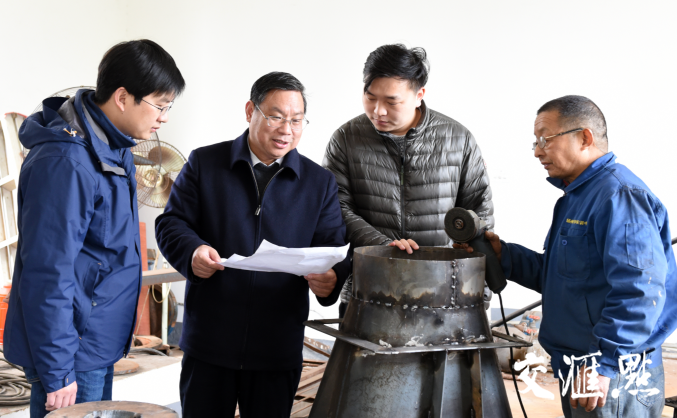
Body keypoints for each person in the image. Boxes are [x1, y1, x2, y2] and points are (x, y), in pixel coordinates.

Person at [459, 95, 676, 418]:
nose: (537, 151)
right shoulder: (576, 197)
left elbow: (639, 291)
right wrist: (506, 256)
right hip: (580, 365)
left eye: (545, 139)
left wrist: (604, 363)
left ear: (584, 138)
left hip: (613, 374)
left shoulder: (620, 196)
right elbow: (564, 277)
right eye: (535, 142)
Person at [4, 40, 185, 417]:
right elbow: (47, 273)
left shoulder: (113, 146)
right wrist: (57, 369)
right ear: (123, 97)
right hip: (73, 351)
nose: (165, 118)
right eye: (160, 105)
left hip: (96, 342)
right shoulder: (66, 162)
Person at [155, 71, 350, 418]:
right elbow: (172, 223)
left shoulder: (319, 183)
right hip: (210, 341)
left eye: (296, 120)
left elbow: (333, 245)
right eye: (276, 116)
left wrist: (332, 278)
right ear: (250, 111)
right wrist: (193, 251)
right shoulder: (205, 163)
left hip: (277, 345)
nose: (286, 129)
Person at [323, 44, 494, 317]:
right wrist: (383, 247)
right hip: (368, 291)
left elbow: (479, 216)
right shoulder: (345, 139)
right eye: (370, 97)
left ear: (419, 95)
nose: (378, 110)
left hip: (443, 295)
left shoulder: (458, 139)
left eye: (391, 102)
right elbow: (335, 208)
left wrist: (478, 294)